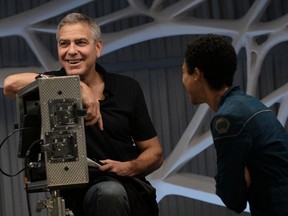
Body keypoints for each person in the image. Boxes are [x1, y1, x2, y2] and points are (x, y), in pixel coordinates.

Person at [3, 12, 163, 216]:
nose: (71, 51)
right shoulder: (49, 85)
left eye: (80, 42)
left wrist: (129, 167)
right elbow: (10, 85)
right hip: (74, 196)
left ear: (98, 47)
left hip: (127, 189)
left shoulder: (127, 88)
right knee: (108, 193)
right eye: (64, 44)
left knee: (110, 192)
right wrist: (76, 86)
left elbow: (154, 152)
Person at [181, 34, 288, 216]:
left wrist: (233, 182)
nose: (183, 80)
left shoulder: (228, 118)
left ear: (197, 74)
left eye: (183, 72)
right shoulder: (249, 104)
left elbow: (232, 197)